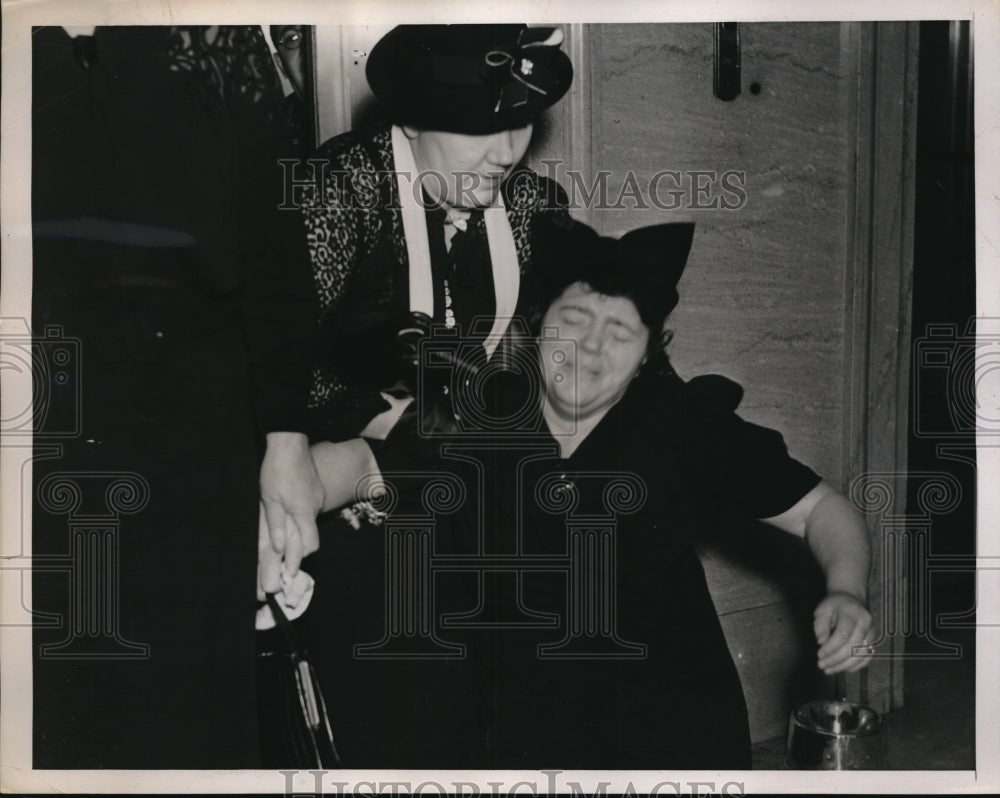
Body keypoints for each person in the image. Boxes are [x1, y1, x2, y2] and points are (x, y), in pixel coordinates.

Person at [304, 217, 874, 769]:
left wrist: (846, 590)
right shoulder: (481, 415)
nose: (591, 348)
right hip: (520, 725)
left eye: (620, 331)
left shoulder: (687, 428)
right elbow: (358, 462)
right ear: (535, 327)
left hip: (669, 726)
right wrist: (282, 504)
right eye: (574, 319)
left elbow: (822, 508)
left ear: (650, 353)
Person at [31, 25, 316, 768]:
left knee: (186, 707)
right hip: (35, 419)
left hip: (194, 426)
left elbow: (276, 248)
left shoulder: (211, 37)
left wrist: (286, 438)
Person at [257, 22, 574, 610]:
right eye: (480, 128)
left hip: (452, 465)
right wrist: (387, 419)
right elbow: (274, 356)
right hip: (331, 475)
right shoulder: (341, 189)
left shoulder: (532, 205)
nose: (505, 153)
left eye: (519, 124)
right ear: (410, 121)